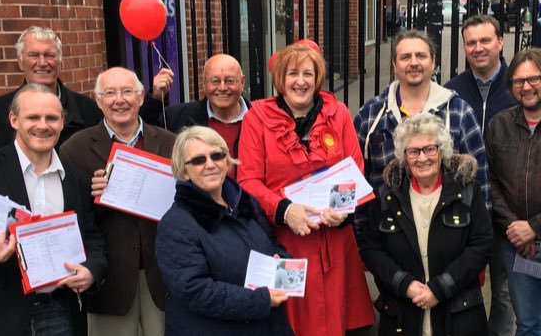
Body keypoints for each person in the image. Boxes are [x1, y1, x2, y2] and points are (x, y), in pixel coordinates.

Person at [0, 83, 107, 336]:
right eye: (33, 117)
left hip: (58, 310)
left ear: (62, 122)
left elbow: (92, 237)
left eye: (51, 117)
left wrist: (92, 270)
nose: (43, 125)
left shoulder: (75, 179)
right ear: (14, 120)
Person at [237, 43, 375, 335]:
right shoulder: (257, 117)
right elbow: (248, 180)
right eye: (292, 73)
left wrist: (342, 210)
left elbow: (355, 168)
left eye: (308, 73)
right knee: (291, 322)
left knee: (339, 320)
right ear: (280, 79)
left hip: (335, 240)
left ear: (318, 78)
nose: (300, 81)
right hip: (286, 241)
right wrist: (285, 211)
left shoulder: (337, 113)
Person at [58, 68, 176, 336]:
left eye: (127, 92)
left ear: (141, 97)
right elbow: (68, 214)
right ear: (98, 101)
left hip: (162, 275)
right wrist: (91, 195)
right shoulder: (73, 149)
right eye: (109, 93)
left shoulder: (170, 143)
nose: (119, 100)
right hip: (109, 278)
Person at [359, 112, 493, 336]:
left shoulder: (467, 191)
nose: (422, 158)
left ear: (442, 151)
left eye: (430, 149)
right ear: (404, 155)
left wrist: (440, 288)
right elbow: (371, 248)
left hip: (459, 316)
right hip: (403, 314)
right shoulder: (386, 196)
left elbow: (482, 245)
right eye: (413, 151)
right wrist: (405, 285)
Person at [155, 126, 294, 335]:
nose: (210, 164)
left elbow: (273, 243)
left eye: (217, 156)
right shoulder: (175, 225)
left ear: (227, 161)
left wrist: (280, 261)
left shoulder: (245, 204)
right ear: (184, 171)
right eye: (198, 160)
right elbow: (194, 290)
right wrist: (258, 300)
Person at [356, 30, 490, 237]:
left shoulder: (459, 112)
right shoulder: (371, 114)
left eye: (421, 55)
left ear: (433, 61)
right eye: (405, 57)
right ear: (394, 65)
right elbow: (359, 180)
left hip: (448, 236)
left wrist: (480, 239)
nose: (413, 63)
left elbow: (480, 179)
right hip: (386, 236)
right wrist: (362, 238)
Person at [0, 26, 174, 152]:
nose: (42, 62)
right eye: (33, 55)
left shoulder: (88, 110)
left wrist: (155, 99)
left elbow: (129, 129)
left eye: (50, 55)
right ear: (20, 61)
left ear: (60, 60)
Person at [486, 48, 541, 336]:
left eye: (534, 78)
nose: (526, 87)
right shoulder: (500, 125)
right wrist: (514, 229)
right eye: (518, 81)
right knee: (528, 324)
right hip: (516, 245)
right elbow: (491, 182)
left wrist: (534, 228)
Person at [443, 16, 516, 335]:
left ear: (501, 42)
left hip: (508, 209)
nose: (478, 48)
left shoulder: (520, 85)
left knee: (503, 291)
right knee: (459, 285)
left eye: (485, 40)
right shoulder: (451, 91)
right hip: (462, 206)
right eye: (471, 42)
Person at [151, 54, 249, 162]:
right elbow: (144, 132)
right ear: (204, 83)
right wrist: (155, 99)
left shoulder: (259, 118)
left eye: (229, 80)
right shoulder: (177, 117)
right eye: (215, 81)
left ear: (242, 82)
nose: (222, 88)